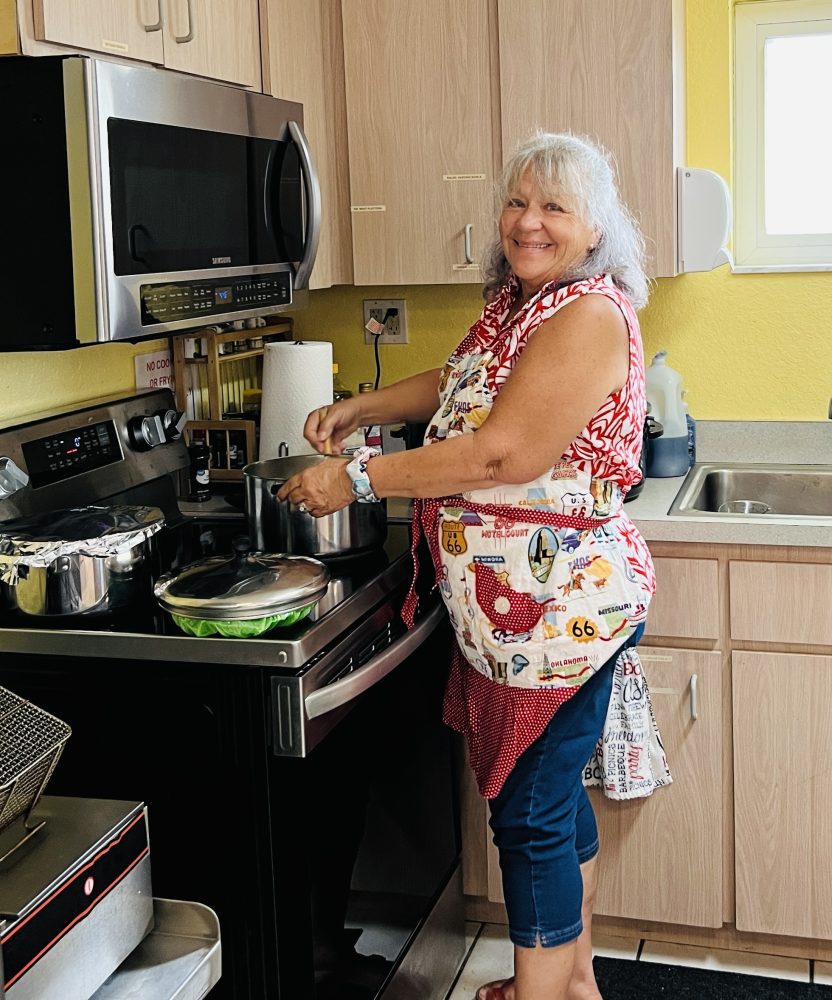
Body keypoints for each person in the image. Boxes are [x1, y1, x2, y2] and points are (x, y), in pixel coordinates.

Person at [277, 131, 658, 1000]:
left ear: (595, 228)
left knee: (529, 813)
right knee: (550, 802)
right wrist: (364, 406)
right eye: (517, 201)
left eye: (554, 207)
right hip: (523, 614)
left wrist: (359, 477)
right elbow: (460, 383)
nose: (528, 222)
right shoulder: (520, 305)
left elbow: (501, 454)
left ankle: (540, 993)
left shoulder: (587, 315)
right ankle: (572, 981)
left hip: (562, 612)